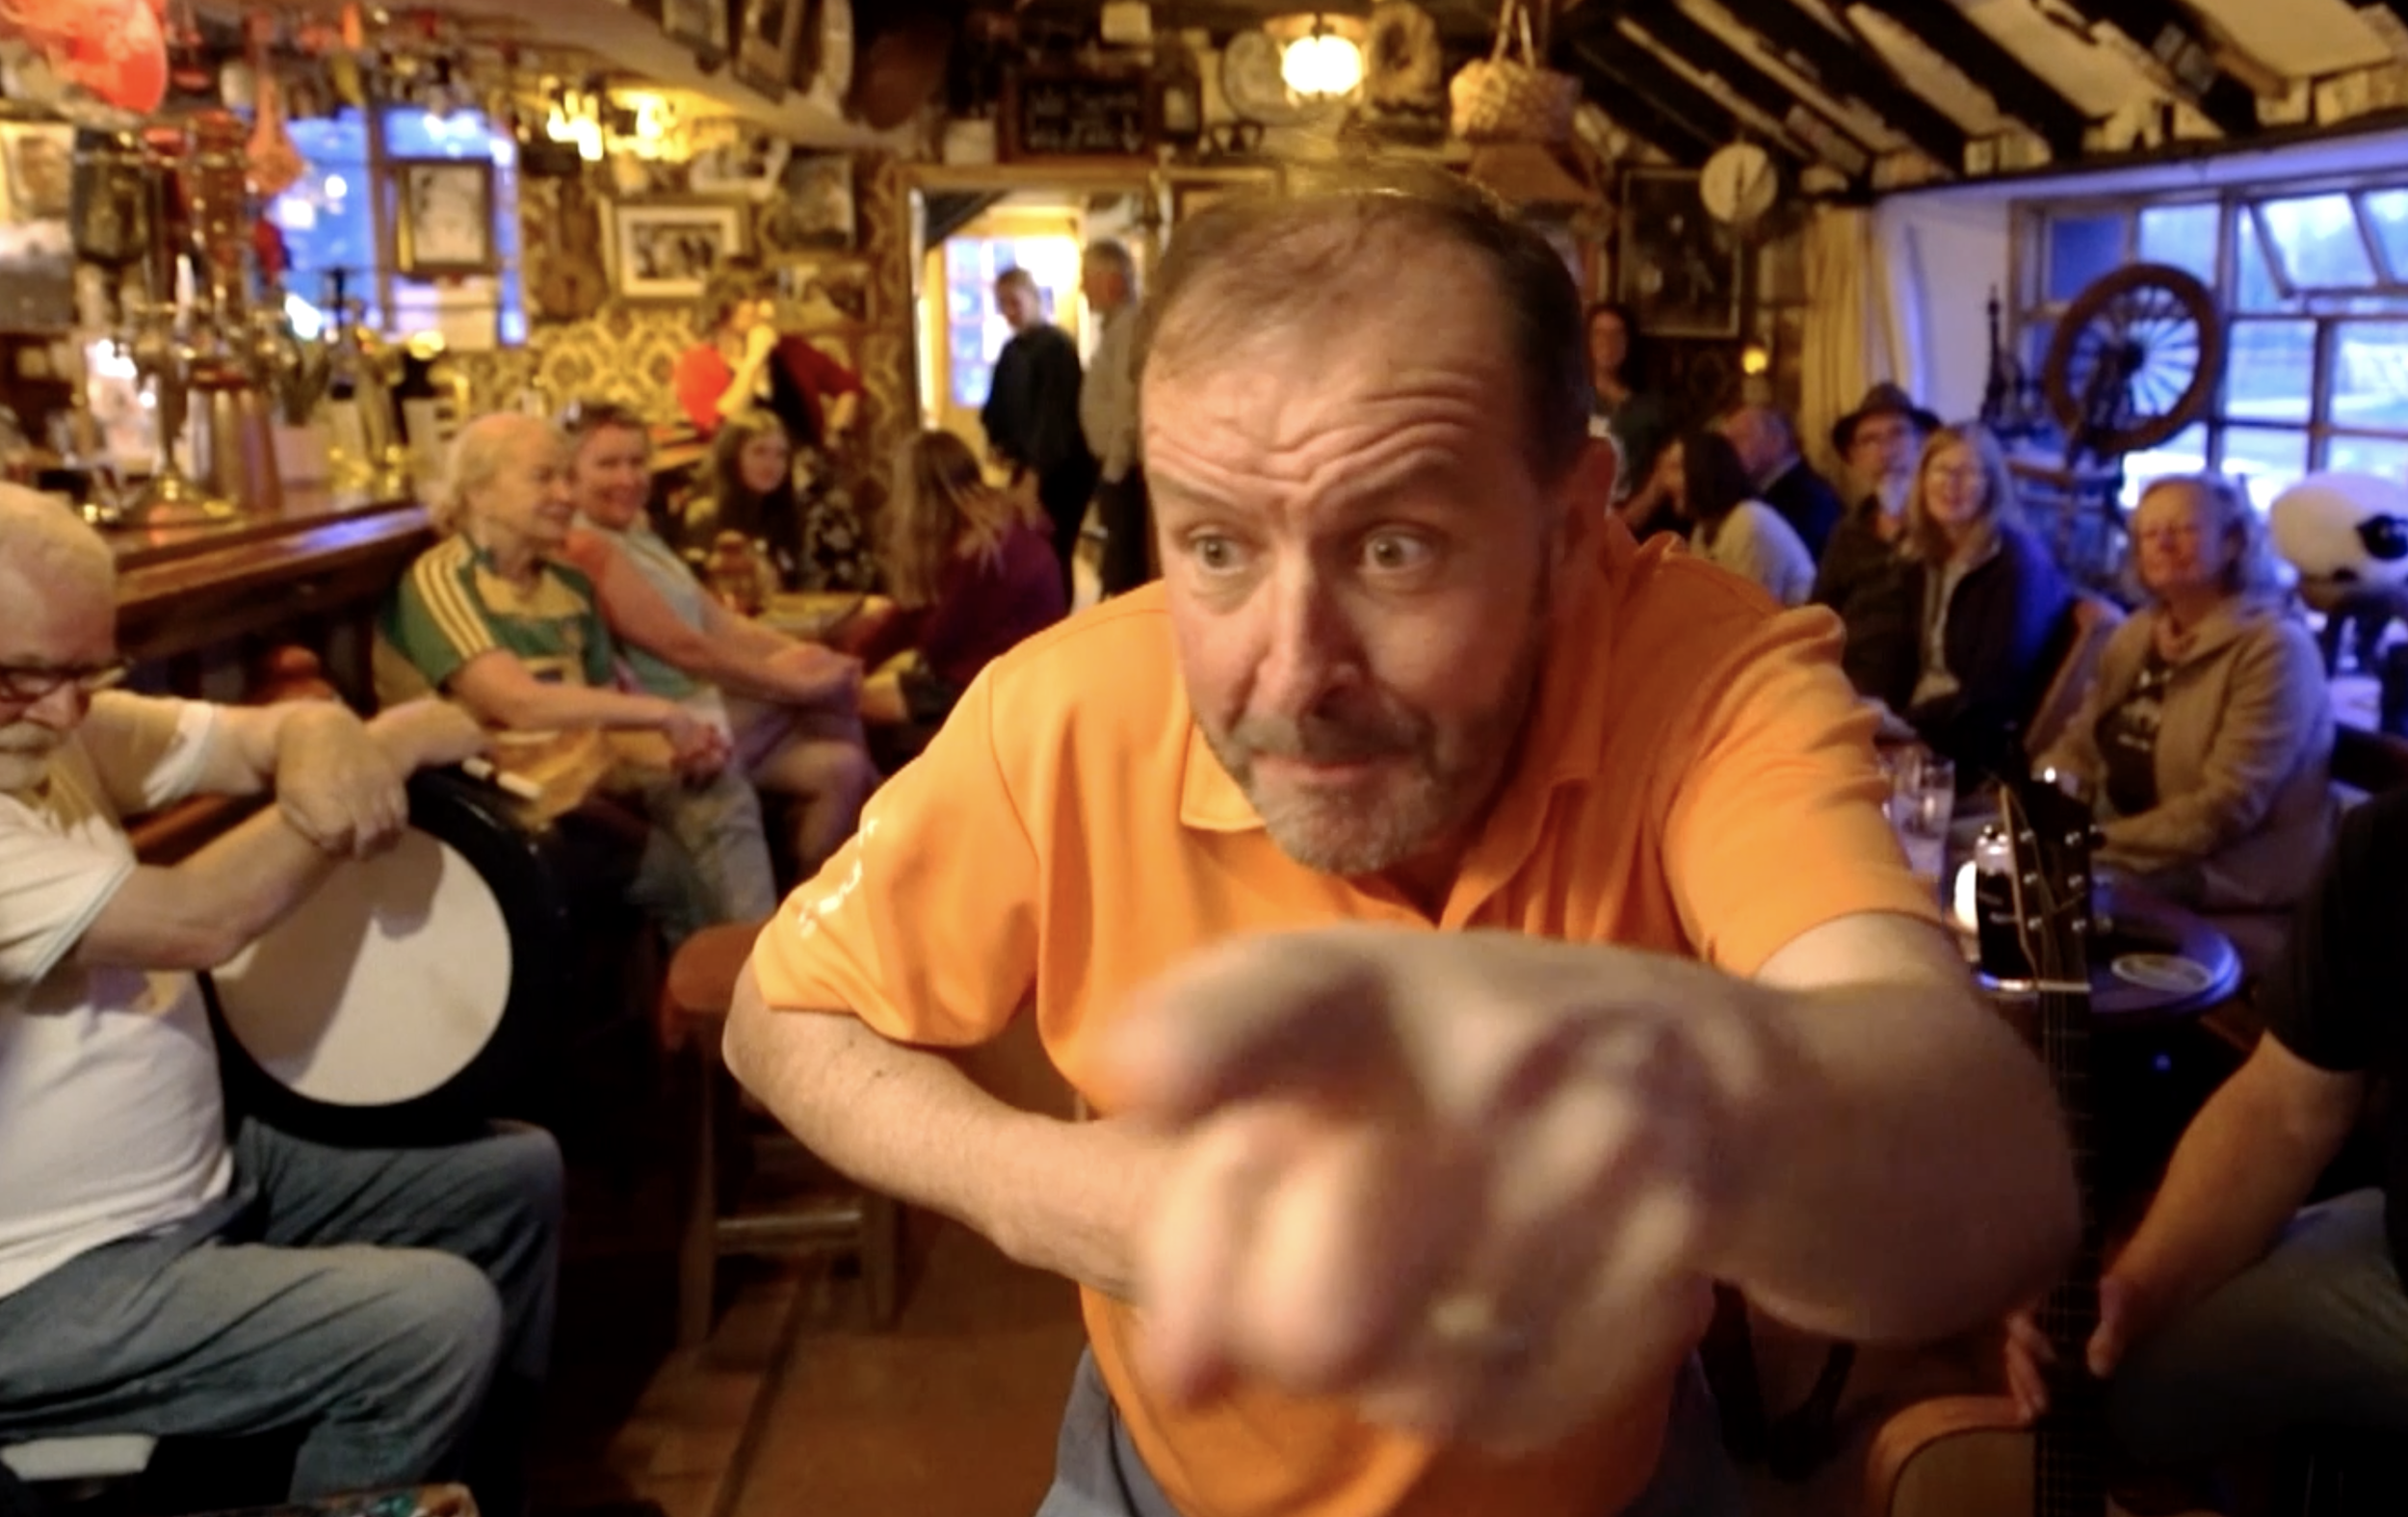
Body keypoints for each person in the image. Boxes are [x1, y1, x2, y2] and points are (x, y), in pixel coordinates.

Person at [724, 170, 2076, 1517]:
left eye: (1395, 549)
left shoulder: (1703, 675)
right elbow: (779, 1016)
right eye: (1214, 545)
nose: (1291, 670)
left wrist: (1696, 1100)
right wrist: (1049, 1191)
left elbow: (1986, 1162)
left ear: (1568, 530)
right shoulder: (1066, 707)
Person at [0, 484, 560, 1515]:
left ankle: (468, 1492)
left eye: (87, 671)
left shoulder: (53, 723)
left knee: (512, 1175)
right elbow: (198, 918)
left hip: (193, 1187)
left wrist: (316, 736)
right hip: (40, 1287)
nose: (65, 710)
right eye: (24, 680)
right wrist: (384, 744)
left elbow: (264, 736)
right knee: (429, 1320)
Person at [2005, 791, 2408, 1504]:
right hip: (2390, 1269)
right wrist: (2133, 1292)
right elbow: (2284, 1109)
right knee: (2102, 1398)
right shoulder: (2390, 843)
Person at [376, 413, 732, 935]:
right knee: (669, 878)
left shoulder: (568, 585)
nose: (567, 495)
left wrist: (683, 752)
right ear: (479, 493)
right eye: (544, 478)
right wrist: (663, 713)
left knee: (716, 804)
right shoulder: (440, 578)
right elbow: (516, 703)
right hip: (472, 813)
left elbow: (602, 725)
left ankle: (742, 982)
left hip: (563, 790)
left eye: (568, 477)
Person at [558, 401, 878, 885]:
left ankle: (817, 903)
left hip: (714, 704)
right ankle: (891, 855)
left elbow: (721, 622)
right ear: (570, 474)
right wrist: (795, 683)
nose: (627, 478)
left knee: (842, 768)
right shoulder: (586, 546)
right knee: (826, 687)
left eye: (636, 462)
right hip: (669, 720)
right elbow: (686, 649)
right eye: (607, 464)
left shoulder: (637, 533)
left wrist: (807, 660)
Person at [2038, 474, 2332, 910]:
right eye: (2150, 534)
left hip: (2223, 872)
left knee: (2049, 899)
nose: (2165, 544)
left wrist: (2090, 841)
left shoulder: (2274, 648)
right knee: (1975, 856)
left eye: (2186, 529)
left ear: (2232, 543)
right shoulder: (2138, 633)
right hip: (2118, 844)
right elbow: (2079, 747)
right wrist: (2039, 809)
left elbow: (2224, 808)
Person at [857, 428, 1068, 730]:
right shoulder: (1002, 522)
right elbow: (914, 614)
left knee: (848, 702)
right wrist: (859, 658)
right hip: (1029, 682)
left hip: (998, 695)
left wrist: (851, 663)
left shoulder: (980, 551)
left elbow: (938, 641)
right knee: (853, 695)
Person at [1898, 422, 2072, 788]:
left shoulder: (2015, 564)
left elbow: (1994, 693)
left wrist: (1906, 727)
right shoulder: (1922, 555)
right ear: (1923, 479)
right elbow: (1897, 651)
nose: (1952, 484)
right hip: (1917, 720)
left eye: (1969, 472)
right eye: (1942, 470)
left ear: (1991, 484)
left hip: (1969, 743)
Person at [1813, 383, 1937, 714]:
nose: (1886, 451)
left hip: (1913, 704)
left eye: (1898, 434)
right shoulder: (1847, 533)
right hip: (1841, 691)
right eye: (1870, 440)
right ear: (1854, 457)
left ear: (1923, 443)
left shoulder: (1945, 528)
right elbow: (1818, 617)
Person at [982, 265, 1097, 602]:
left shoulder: (1056, 348)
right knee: (1030, 550)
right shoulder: (1011, 351)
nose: (1009, 311)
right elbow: (997, 408)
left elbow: (1054, 418)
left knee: (1052, 551)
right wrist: (998, 445)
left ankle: (1057, 628)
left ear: (1033, 298)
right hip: (1026, 468)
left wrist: (1035, 474)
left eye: (1015, 301)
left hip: (1061, 471)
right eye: (1002, 303)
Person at [679, 408, 877, 595]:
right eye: (759, 452)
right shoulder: (706, 516)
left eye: (781, 454)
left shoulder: (789, 512)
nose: (772, 465)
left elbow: (804, 584)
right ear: (733, 458)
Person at [673, 265, 863, 448]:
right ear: (725, 305)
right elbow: (715, 424)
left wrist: (835, 432)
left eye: (770, 300)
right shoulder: (695, 364)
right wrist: (753, 360)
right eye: (756, 301)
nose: (768, 311)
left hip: (799, 471)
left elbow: (849, 387)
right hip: (734, 474)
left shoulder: (791, 349)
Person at [1656, 427, 1816, 606]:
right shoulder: (1701, 532)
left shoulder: (1750, 523)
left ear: (1704, 468)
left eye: (1676, 469)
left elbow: (1752, 614)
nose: (1666, 482)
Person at [1079, 240, 1155, 599]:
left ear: (1111, 282)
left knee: (1123, 577)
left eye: (1087, 279)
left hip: (1123, 474)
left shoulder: (1129, 327)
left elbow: (1129, 403)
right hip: (1115, 471)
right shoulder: (1117, 328)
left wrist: (1113, 471)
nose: (1082, 289)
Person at [1583, 301, 1678, 540]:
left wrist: (1630, 518)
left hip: (1636, 530)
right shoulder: (1570, 399)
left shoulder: (1651, 408)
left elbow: (1666, 468)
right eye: (1599, 334)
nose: (1607, 342)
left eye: (1617, 335)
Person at [1723, 404, 1844, 561]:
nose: (1729, 451)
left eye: (1740, 438)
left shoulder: (1806, 497)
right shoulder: (1767, 492)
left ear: (1776, 441)